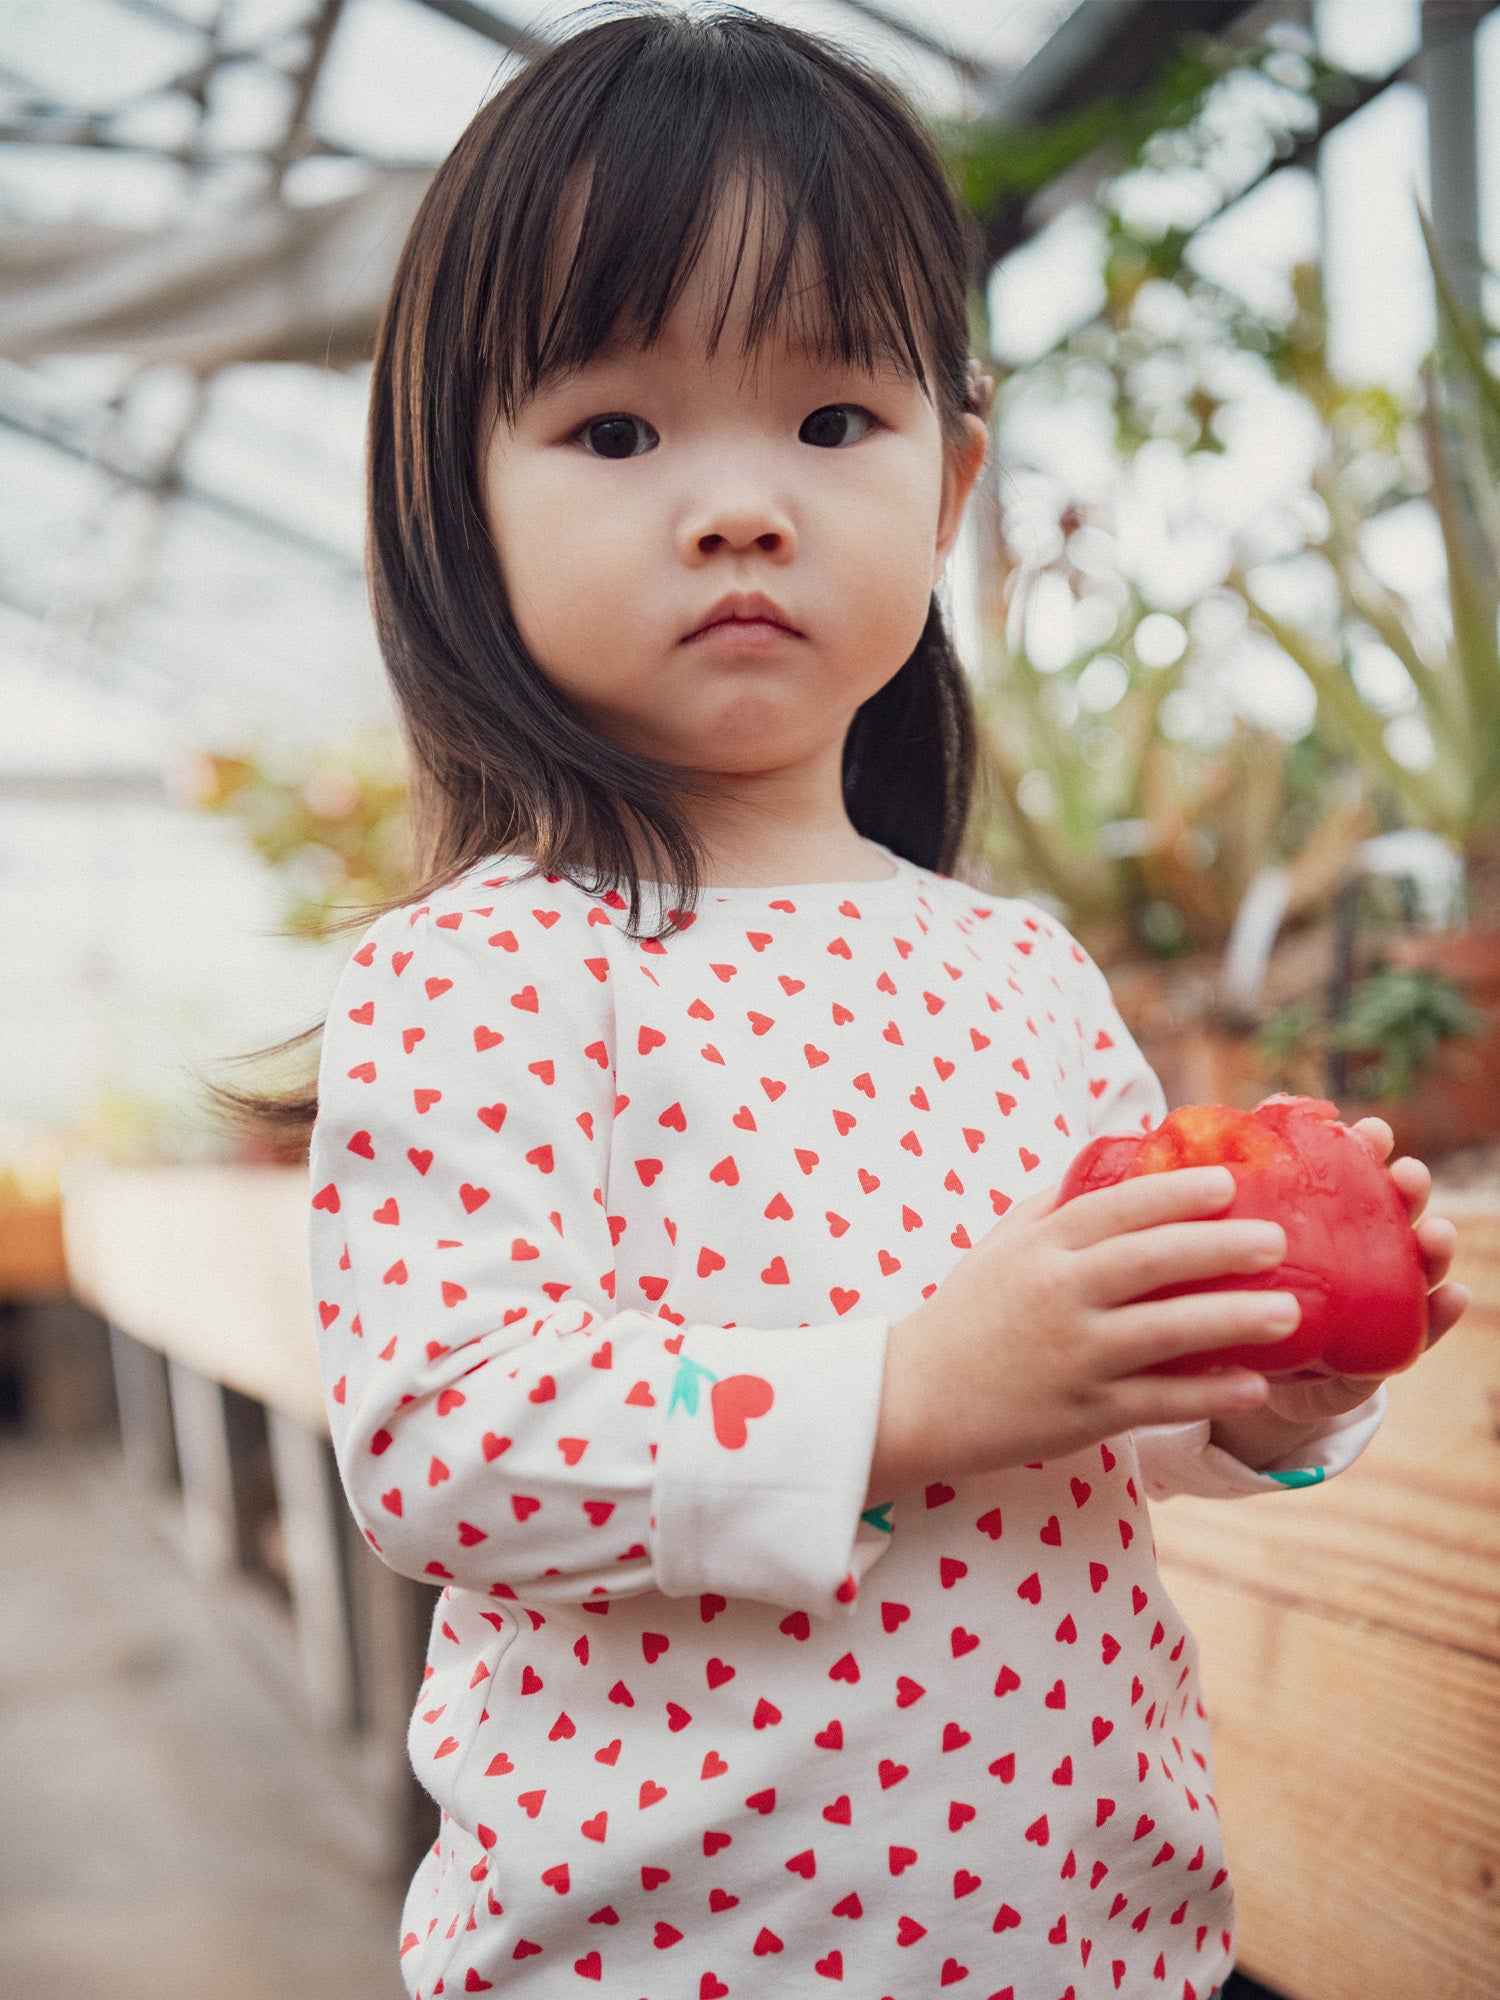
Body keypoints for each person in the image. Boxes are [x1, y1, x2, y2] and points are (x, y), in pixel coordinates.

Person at [301, 11, 1467, 1997]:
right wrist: (908, 1388)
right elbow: (445, 1435)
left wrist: (1277, 1385)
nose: (744, 505)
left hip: (1100, 1933)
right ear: (455, 500)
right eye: (616, 431)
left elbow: (1100, 1412)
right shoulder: (489, 967)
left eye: (833, 423)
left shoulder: (1015, 968)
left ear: (948, 490)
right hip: (674, 1954)